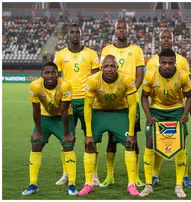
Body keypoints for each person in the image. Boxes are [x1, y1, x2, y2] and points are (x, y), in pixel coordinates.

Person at [78, 55, 139, 196]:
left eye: (112, 66)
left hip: (119, 112)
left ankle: (131, 184)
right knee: (89, 145)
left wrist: (131, 133)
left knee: (130, 144)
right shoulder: (93, 80)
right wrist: (88, 134)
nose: (109, 69)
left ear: (117, 67)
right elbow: (87, 107)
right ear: (101, 68)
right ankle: (88, 183)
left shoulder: (127, 79)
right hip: (99, 112)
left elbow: (132, 105)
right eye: (106, 66)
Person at [139, 48, 191, 198]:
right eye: (164, 63)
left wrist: (185, 113)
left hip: (176, 110)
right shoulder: (150, 74)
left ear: (175, 62)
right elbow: (144, 97)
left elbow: (189, 96)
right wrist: (149, 116)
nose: (167, 66)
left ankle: (179, 185)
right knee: (150, 142)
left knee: (180, 144)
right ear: (159, 62)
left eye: (170, 63)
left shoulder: (183, 75)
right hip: (156, 110)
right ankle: (148, 184)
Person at [54, 23, 101, 186]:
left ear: (81, 34)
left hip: (88, 101)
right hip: (68, 101)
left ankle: (94, 175)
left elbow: (96, 79)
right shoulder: (60, 55)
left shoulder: (91, 54)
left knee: (91, 138)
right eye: (72, 32)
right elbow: (57, 79)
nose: (75, 34)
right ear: (68, 35)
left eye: (77, 32)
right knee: (67, 138)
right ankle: (66, 173)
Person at [100, 19, 145, 187]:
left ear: (128, 30)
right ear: (114, 30)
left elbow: (139, 76)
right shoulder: (107, 50)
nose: (121, 30)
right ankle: (109, 176)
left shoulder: (136, 50)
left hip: (131, 101)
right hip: (112, 103)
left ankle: (136, 176)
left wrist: (130, 93)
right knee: (111, 139)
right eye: (118, 28)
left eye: (123, 28)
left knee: (133, 139)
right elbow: (102, 75)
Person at [22, 62, 77, 196]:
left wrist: (67, 134)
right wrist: (38, 132)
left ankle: (72, 184)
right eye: (47, 73)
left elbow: (63, 111)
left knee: (68, 145)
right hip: (44, 117)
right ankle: (33, 184)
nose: (51, 76)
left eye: (54, 72)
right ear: (42, 75)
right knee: (36, 144)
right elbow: (35, 110)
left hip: (63, 118)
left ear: (58, 74)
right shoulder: (35, 86)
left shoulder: (65, 85)